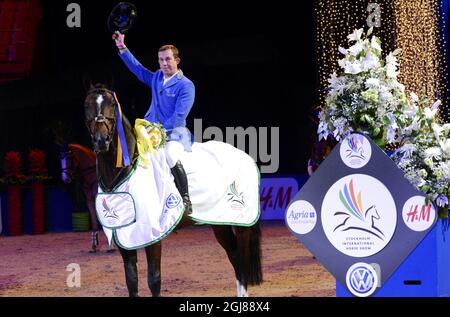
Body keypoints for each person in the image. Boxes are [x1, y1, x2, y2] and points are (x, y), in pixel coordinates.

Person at [112, 32, 194, 214]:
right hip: (148, 130)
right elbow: (138, 69)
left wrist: (158, 132)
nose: (164, 63)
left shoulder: (186, 85)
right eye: (161, 60)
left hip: (174, 134)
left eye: (168, 59)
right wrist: (121, 47)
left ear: (177, 60)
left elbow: (179, 116)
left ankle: (185, 198)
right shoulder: (157, 77)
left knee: (171, 156)